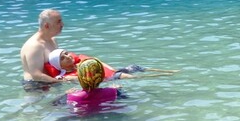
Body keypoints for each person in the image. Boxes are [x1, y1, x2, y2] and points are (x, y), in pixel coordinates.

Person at [20, 9, 74, 90]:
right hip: (35, 86)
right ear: (46, 26)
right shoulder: (34, 46)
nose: (62, 24)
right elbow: (36, 75)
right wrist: (63, 81)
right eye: (58, 22)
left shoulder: (53, 40)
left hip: (52, 82)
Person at [47, 48, 176, 80]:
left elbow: (98, 61)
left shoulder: (80, 60)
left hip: (112, 72)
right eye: (63, 58)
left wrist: (110, 68)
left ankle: (167, 71)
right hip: (108, 78)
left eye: (66, 53)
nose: (68, 56)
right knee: (130, 77)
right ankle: (161, 76)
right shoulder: (68, 76)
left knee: (135, 67)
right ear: (60, 65)